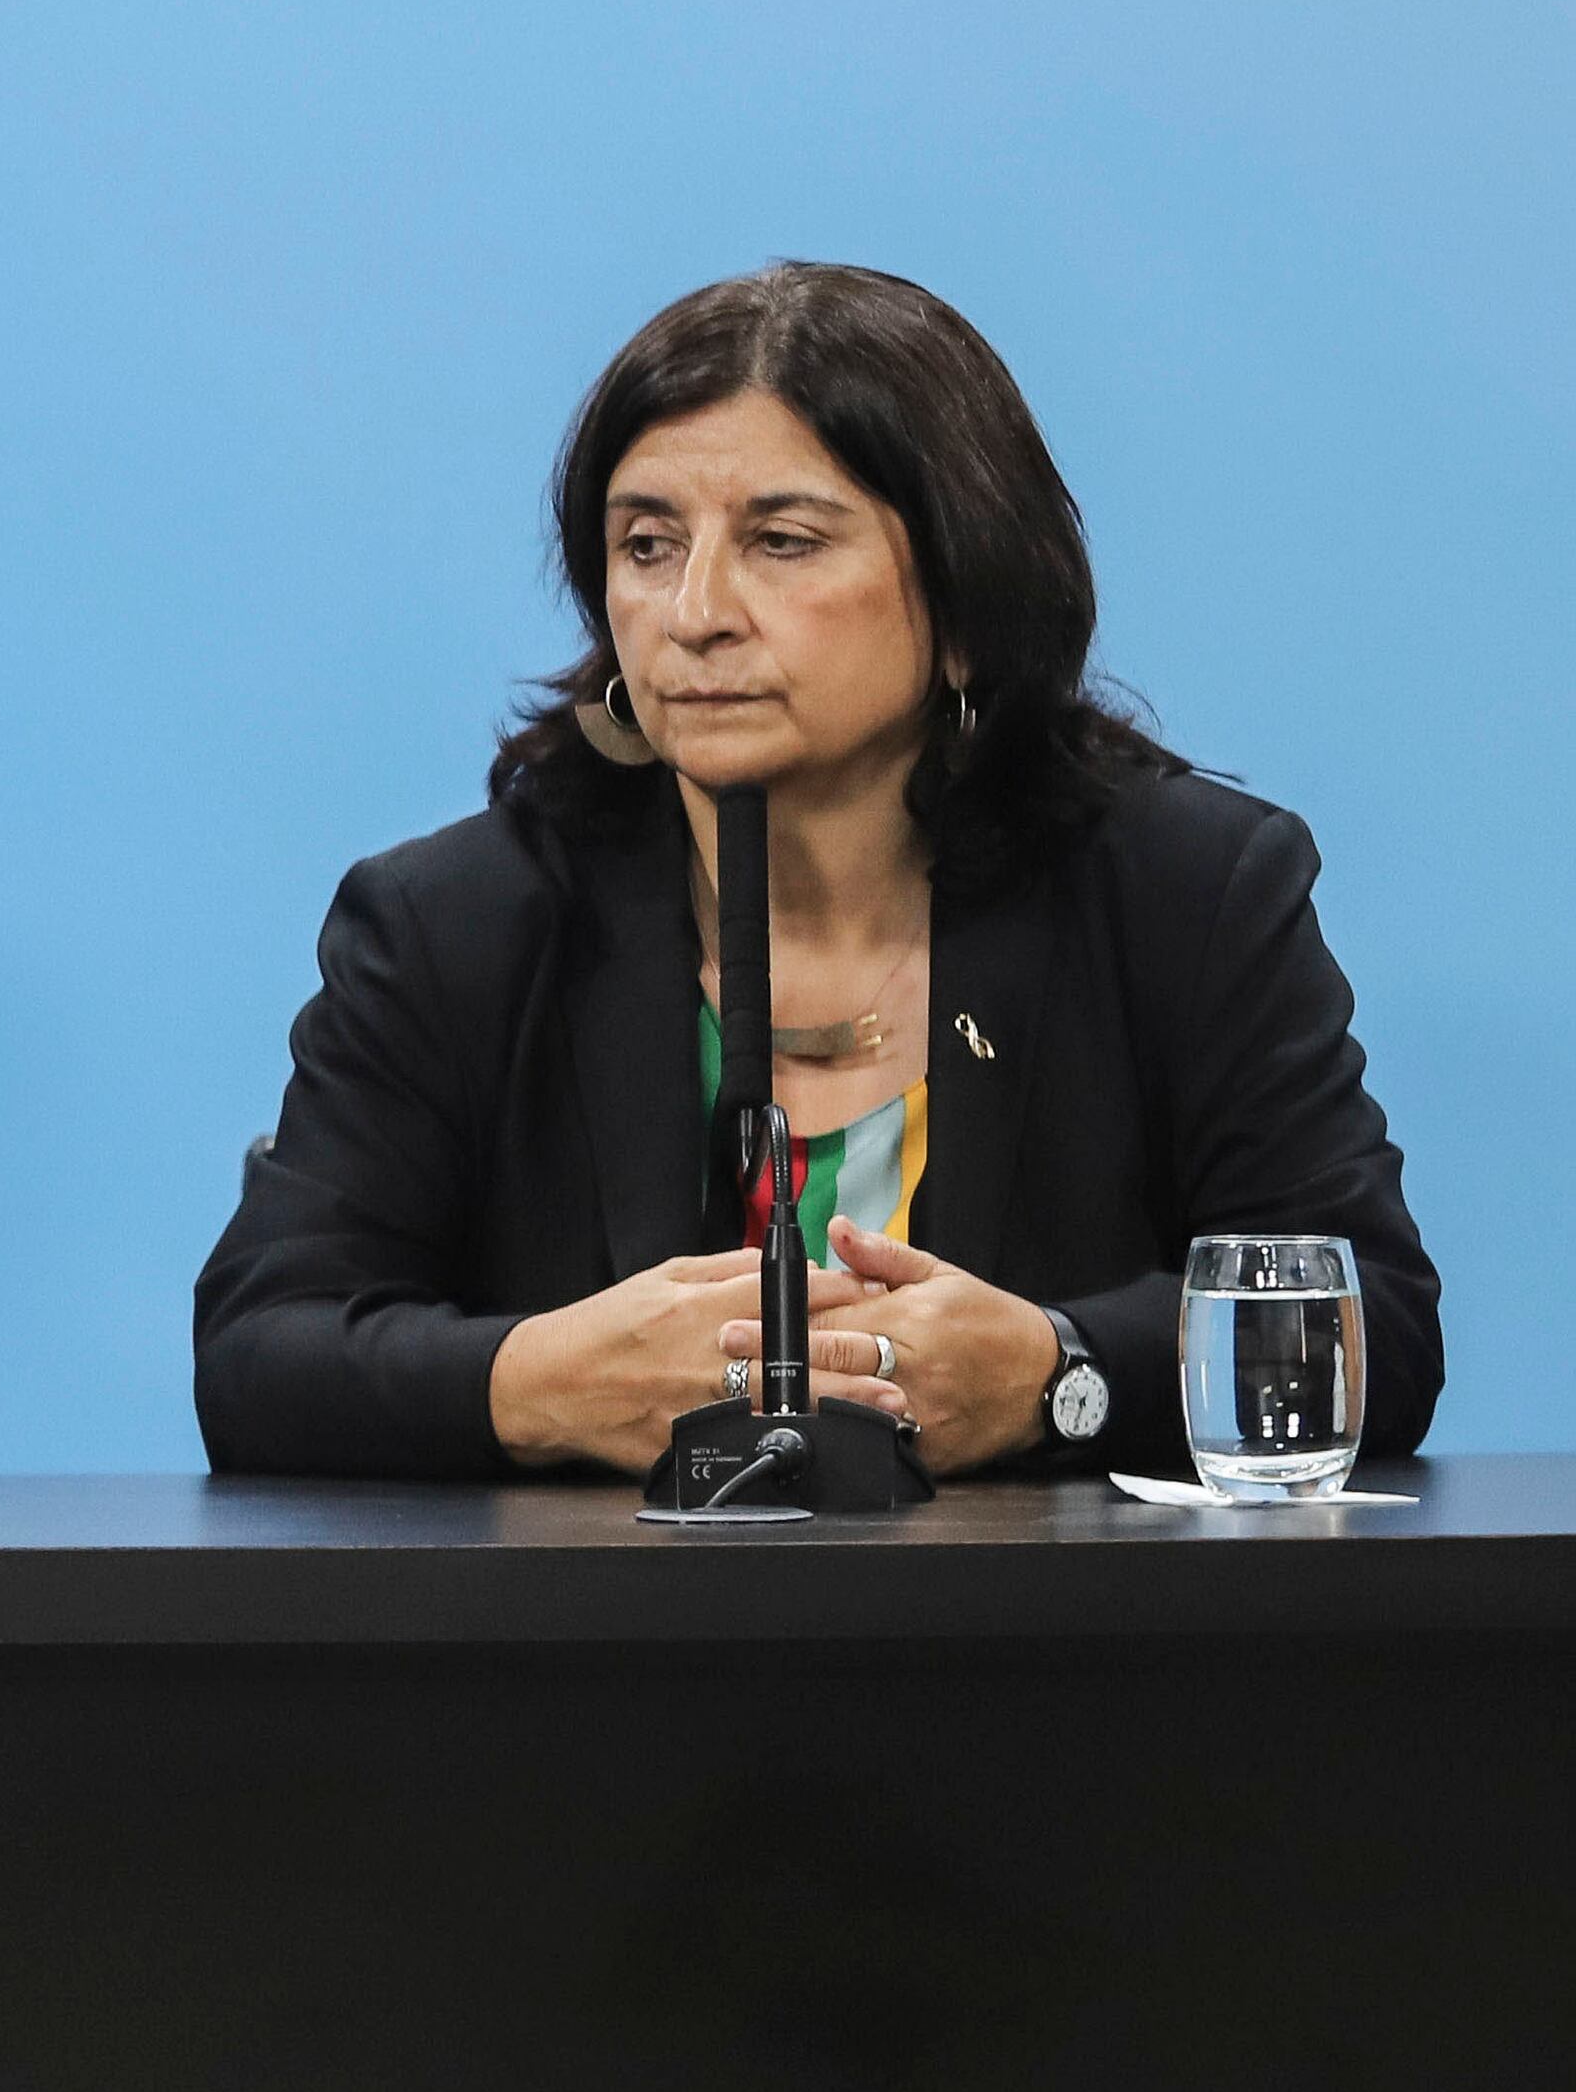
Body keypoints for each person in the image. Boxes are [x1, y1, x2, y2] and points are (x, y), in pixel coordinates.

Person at [196, 262, 1439, 1482]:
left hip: (1058, 1664)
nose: (694, 611)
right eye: (645, 545)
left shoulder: (1181, 893)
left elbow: (1366, 1324)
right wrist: (537, 1382)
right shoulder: (457, 924)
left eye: (781, 542)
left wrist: (1061, 1374)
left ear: (961, 603)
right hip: (597, 1670)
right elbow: (258, 1352)